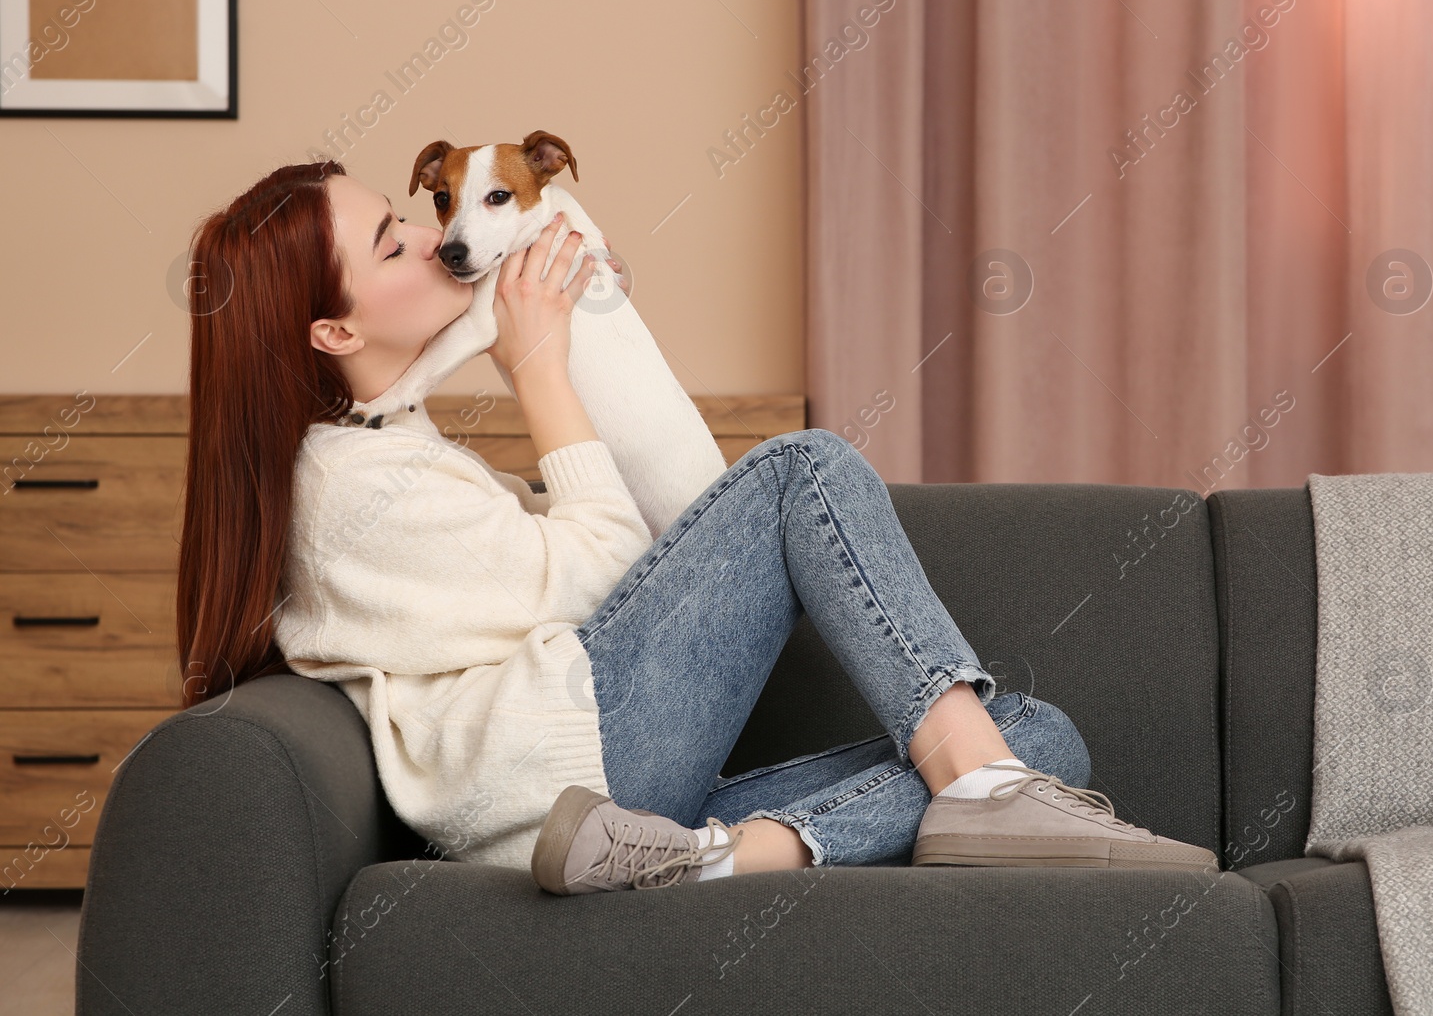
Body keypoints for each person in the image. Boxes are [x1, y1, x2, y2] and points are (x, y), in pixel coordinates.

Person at [176, 161, 1216, 899]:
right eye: (392, 241)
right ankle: (981, 789)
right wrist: (537, 365)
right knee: (800, 468)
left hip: (610, 800)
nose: (431, 238)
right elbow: (600, 575)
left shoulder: (388, 441)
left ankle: (720, 857)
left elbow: (563, 568)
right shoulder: (344, 485)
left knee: (1034, 736)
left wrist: (585, 322)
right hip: (568, 764)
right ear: (335, 330)